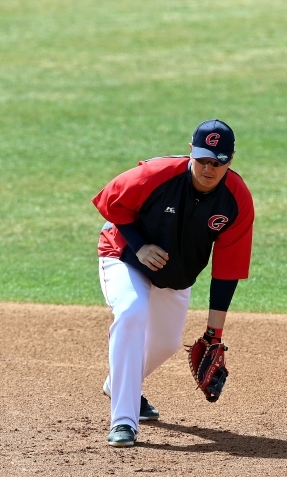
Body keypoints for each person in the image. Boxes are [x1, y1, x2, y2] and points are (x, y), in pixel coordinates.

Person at [92, 119, 255, 446]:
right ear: (191, 151)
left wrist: (214, 334)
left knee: (166, 344)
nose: (209, 168)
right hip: (124, 255)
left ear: (231, 160)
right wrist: (140, 246)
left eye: (218, 162)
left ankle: (119, 382)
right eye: (203, 159)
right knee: (131, 311)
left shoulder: (236, 200)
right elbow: (110, 201)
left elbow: (227, 269)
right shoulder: (157, 174)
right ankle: (124, 420)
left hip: (176, 275)